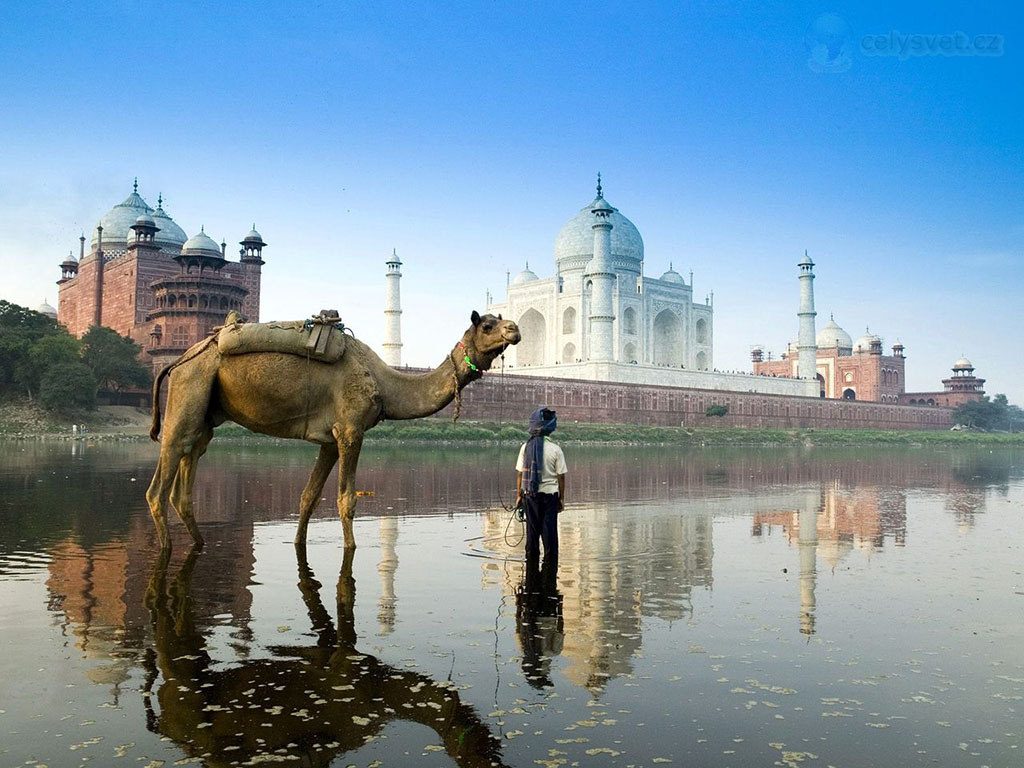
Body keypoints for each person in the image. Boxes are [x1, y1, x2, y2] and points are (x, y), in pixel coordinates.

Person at [514, 407, 567, 561]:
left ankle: (531, 572)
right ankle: (550, 572)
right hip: (550, 497)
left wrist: (518, 496)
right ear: (550, 429)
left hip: (530, 496)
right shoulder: (556, 450)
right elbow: (561, 477)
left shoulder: (526, 448)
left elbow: (520, 473)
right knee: (549, 534)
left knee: (532, 533)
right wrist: (562, 499)